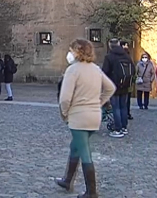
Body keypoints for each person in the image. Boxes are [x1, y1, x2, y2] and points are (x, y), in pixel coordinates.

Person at [56, 38, 116, 198]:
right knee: (75, 146)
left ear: (77, 51)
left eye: (71, 50)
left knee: (84, 151)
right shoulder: (95, 69)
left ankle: (91, 191)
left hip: (78, 117)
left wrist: (64, 112)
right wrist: (99, 102)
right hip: (94, 115)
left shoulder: (73, 70)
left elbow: (65, 98)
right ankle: (67, 180)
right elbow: (110, 88)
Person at [102, 38, 135, 138]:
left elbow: (105, 72)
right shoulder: (127, 55)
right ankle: (124, 127)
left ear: (109, 45)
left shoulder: (109, 57)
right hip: (125, 85)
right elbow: (133, 69)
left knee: (115, 107)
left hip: (113, 85)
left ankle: (118, 129)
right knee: (123, 107)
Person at [120, 41, 134, 119]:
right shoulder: (129, 57)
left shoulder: (118, 57)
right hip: (128, 81)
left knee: (122, 100)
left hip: (121, 82)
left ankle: (125, 114)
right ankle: (127, 113)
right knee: (127, 99)